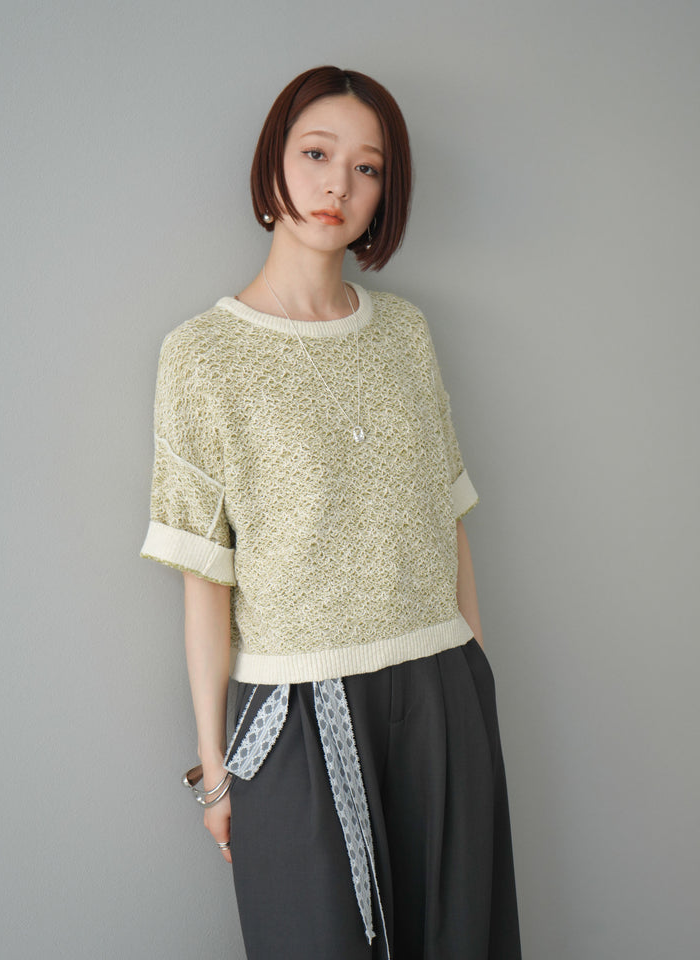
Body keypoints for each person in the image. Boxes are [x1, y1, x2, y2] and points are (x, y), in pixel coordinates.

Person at [140, 65, 522, 960]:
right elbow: (205, 577)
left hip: (440, 688)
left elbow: (448, 520)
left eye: (367, 168)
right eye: (316, 154)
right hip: (295, 710)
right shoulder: (202, 355)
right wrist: (215, 770)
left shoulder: (406, 334)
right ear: (274, 161)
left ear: (385, 192)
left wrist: (474, 676)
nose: (338, 185)